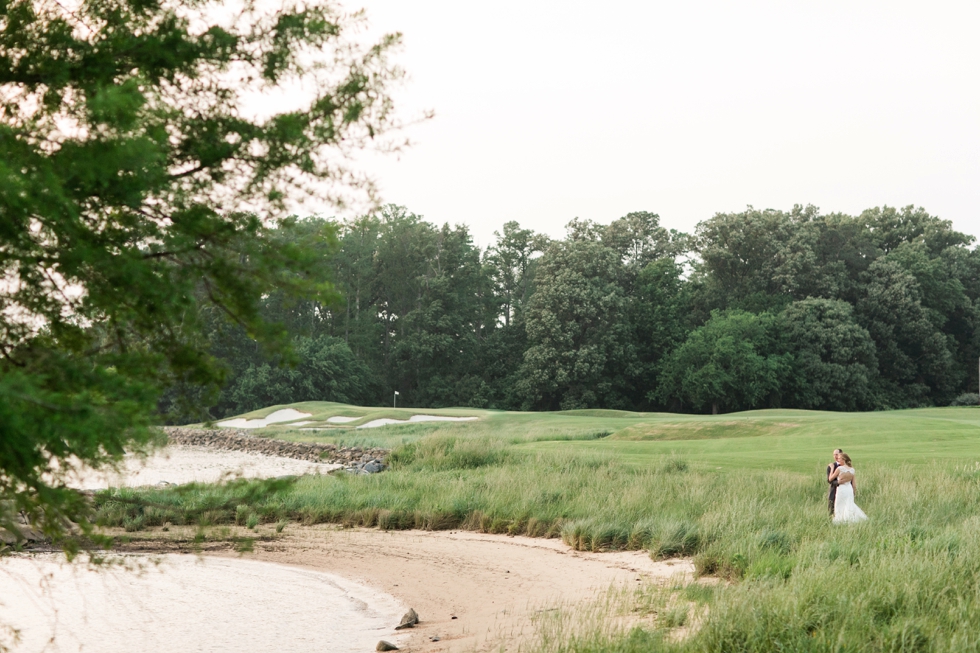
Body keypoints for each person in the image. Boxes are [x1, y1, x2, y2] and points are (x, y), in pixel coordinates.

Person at [828, 453, 867, 523]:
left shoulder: (839, 469)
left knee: (840, 504)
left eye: (839, 458)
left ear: (844, 460)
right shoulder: (852, 470)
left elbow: (830, 479)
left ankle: (840, 519)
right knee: (849, 503)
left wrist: (832, 468)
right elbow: (854, 484)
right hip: (849, 489)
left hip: (842, 489)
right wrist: (854, 492)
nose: (838, 460)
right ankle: (850, 518)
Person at [826, 449, 842, 516]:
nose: (835, 456)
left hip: (844, 490)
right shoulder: (831, 466)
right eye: (834, 455)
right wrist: (838, 482)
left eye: (837, 454)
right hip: (834, 489)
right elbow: (829, 481)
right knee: (831, 507)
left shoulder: (846, 466)